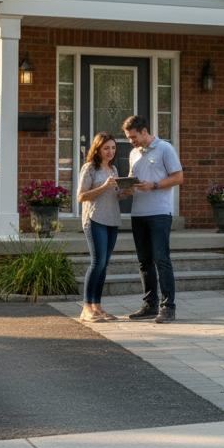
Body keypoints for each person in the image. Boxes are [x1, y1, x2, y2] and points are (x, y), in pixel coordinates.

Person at [122, 115, 183, 323]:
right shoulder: (133, 153)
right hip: (138, 213)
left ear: (145, 131)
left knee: (162, 259)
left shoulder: (165, 148)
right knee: (144, 261)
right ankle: (149, 305)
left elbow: (178, 177)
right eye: (129, 137)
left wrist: (154, 185)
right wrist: (128, 188)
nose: (131, 141)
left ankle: (168, 307)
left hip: (159, 213)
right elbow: (134, 178)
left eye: (133, 137)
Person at [75, 131, 129, 322]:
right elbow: (81, 197)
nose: (110, 151)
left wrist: (126, 191)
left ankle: (97, 307)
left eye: (113, 148)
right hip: (95, 220)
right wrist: (104, 187)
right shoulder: (89, 168)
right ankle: (86, 307)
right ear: (97, 149)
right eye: (106, 148)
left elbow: (115, 196)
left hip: (112, 220)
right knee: (97, 263)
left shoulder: (113, 170)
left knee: (104, 265)